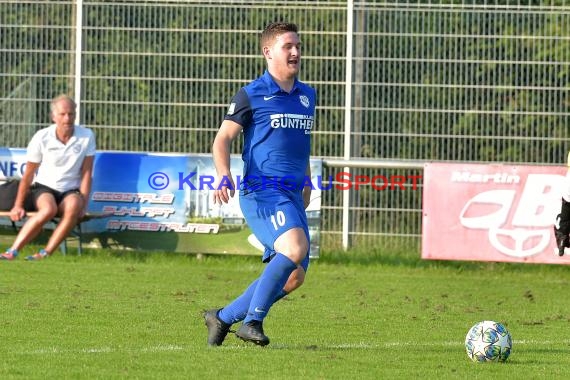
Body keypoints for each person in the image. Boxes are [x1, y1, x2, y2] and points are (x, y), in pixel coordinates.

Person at [204, 22, 316, 346]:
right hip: (262, 192)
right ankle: (252, 321)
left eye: (298, 45)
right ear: (268, 52)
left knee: (294, 276)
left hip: (292, 194)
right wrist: (224, 174)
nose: (295, 52)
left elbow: (300, 142)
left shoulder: (307, 95)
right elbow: (222, 139)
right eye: (288, 46)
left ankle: (221, 318)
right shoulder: (251, 93)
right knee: (294, 249)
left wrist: (307, 181)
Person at [0, 94, 96, 261]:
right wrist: (18, 205)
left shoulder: (86, 136)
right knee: (48, 209)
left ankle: (45, 253)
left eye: (71, 114)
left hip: (70, 191)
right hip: (44, 188)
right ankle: (12, 251)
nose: (67, 118)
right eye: (63, 114)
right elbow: (28, 174)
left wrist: (84, 205)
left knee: (74, 205)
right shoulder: (42, 137)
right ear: (53, 117)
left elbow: (87, 173)